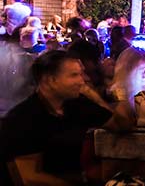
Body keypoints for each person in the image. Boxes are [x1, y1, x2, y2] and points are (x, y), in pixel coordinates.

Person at [0, 50, 133, 182]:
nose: (82, 81)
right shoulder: (23, 117)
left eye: (81, 74)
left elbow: (121, 124)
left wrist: (97, 95)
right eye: (74, 75)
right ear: (50, 80)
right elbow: (30, 177)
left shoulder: (76, 105)